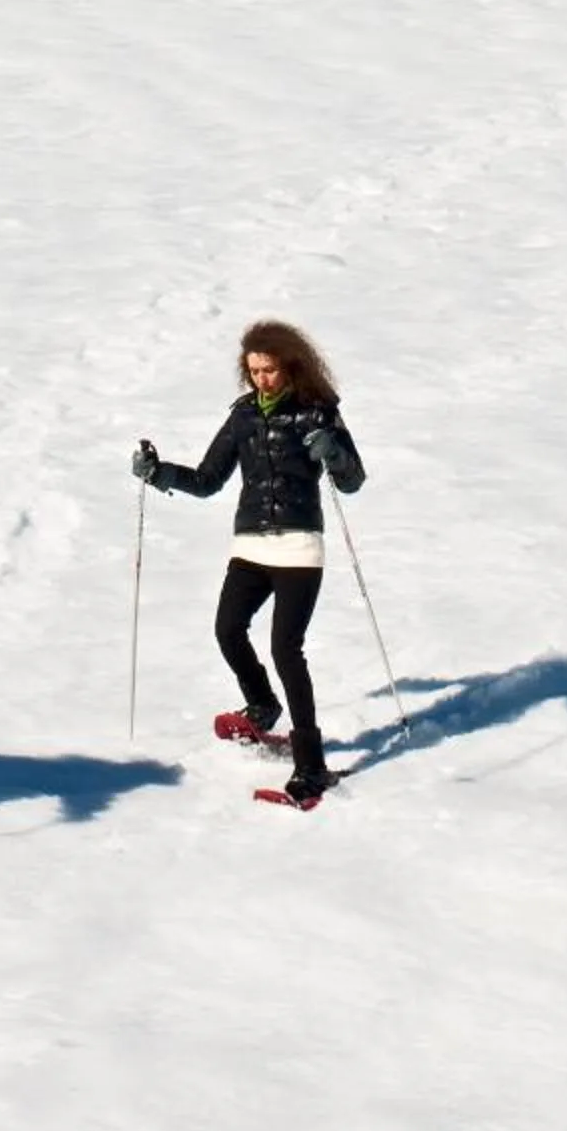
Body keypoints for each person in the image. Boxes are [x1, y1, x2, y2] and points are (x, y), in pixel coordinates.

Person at [133, 318, 365, 803]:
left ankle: (311, 765)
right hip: (251, 546)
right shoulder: (242, 416)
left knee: (286, 650)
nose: (261, 379)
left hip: (299, 547)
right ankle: (261, 705)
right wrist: (158, 474)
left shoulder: (317, 413)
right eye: (254, 370)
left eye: (270, 370)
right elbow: (206, 479)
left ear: (290, 367)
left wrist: (335, 452)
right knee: (227, 629)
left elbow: (352, 481)